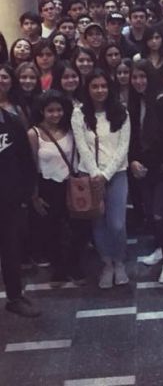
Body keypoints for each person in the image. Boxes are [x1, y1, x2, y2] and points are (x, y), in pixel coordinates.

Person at [71, 68, 130, 289]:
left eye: (103, 86)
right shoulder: (79, 114)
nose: (99, 90)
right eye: (95, 86)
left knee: (116, 223)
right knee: (98, 221)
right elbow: (82, 147)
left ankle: (119, 261)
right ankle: (107, 264)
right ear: (88, 88)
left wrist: (106, 175)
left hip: (117, 173)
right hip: (89, 175)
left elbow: (123, 147)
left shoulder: (121, 112)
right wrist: (95, 173)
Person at [28, 91, 88, 286]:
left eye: (59, 110)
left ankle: (74, 264)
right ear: (42, 111)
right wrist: (34, 195)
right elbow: (31, 166)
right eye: (50, 110)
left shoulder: (71, 129)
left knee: (79, 228)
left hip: (72, 185)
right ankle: (59, 268)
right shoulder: (34, 134)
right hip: (48, 186)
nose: (55, 114)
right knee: (52, 230)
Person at [129, 61, 163, 283]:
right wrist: (134, 161)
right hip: (144, 168)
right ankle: (160, 248)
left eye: (143, 77)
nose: (139, 81)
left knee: (160, 214)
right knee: (151, 213)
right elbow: (134, 136)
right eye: (135, 77)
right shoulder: (136, 102)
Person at [0, 106, 40, 317]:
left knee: (11, 250)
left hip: (9, 200)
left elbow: (26, 159)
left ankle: (14, 297)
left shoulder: (12, 121)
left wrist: (26, 192)